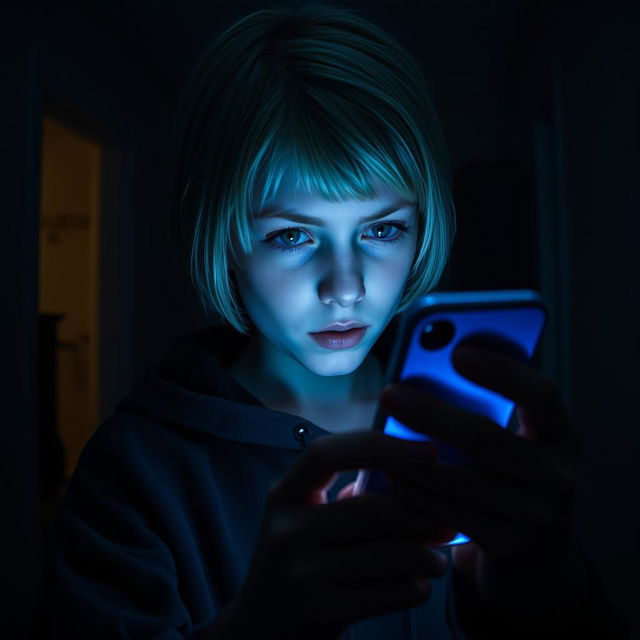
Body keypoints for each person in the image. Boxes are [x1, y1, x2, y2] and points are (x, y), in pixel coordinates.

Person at [35, 4, 627, 639]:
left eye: (381, 228)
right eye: (291, 235)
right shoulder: (136, 472)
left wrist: (548, 592)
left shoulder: (473, 431)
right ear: (223, 240)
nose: (346, 288)